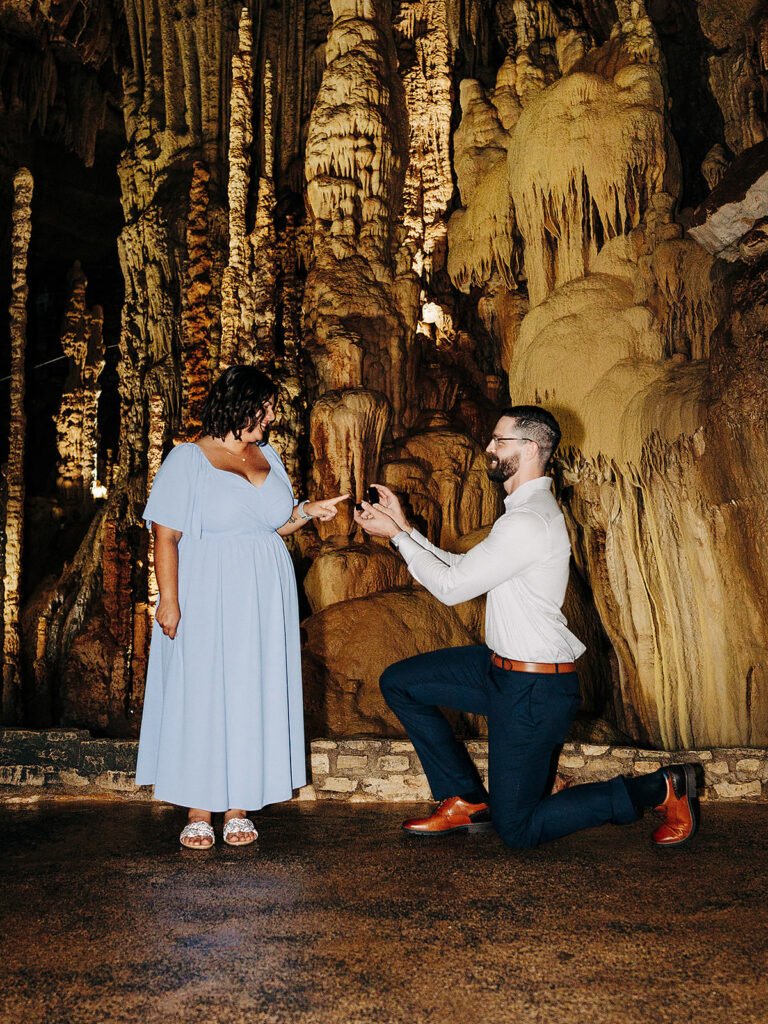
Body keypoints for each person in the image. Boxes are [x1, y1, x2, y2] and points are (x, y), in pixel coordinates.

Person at [353, 405, 697, 849]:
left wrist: (398, 537)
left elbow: (453, 588)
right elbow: (462, 566)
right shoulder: (520, 511)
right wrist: (402, 525)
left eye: (500, 441)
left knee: (518, 829)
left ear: (531, 448)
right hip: (498, 670)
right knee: (401, 683)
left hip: (533, 688)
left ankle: (663, 788)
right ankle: (466, 800)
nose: (489, 448)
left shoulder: (528, 519)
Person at [135, 366, 348, 849]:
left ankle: (238, 806)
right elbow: (165, 535)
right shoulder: (188, 458)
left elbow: (273, 524)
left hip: (264, 593)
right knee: (204, 690)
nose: (273, 415)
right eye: (267, 406)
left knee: (253, 688)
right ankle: (198, 807)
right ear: (239, 404)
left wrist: (305, 513)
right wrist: (168, 600)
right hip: (207, 588)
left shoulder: (267, 453)